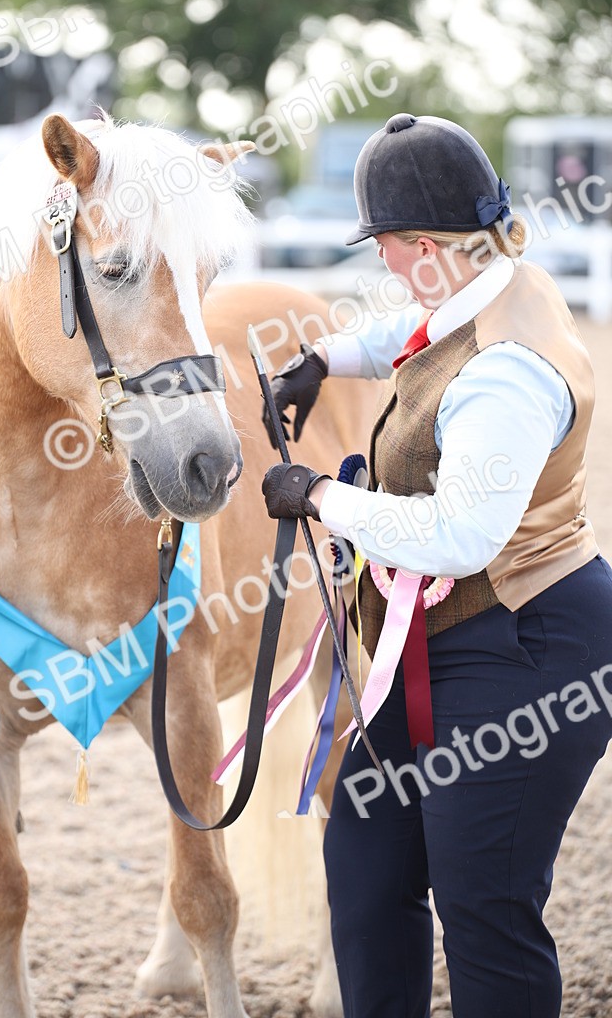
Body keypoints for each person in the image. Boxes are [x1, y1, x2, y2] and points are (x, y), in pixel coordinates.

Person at [260, 113, 612, 1018]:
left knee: (482, 905)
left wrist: (319, 497)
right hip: (436, 644)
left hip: (527, 651)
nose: (382, 267)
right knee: (367, 870)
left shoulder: (506, 374)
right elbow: (410, 332)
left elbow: (459, 536)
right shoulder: (494, 279)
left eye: (383, 248)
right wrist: (323, 359)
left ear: (422, 246)